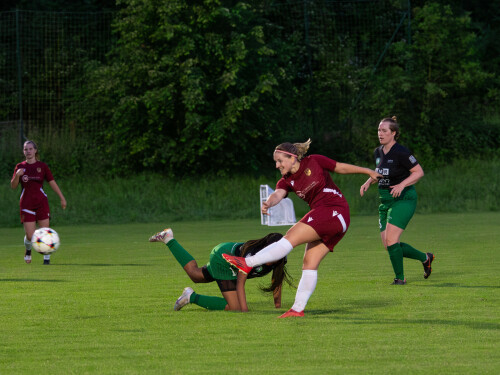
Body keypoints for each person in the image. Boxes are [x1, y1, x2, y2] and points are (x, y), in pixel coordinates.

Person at [223, 139, 382, 318]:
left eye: (280, 160)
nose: (277, 165)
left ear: (292, 157)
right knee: (309, 263)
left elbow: (340, 167)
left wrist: (368, 171)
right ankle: (297, 309)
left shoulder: (314, 161)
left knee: (290, 236)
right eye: (275, 162)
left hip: (334, 210)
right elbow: (278, 194)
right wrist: (268, 202)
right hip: (332, 218)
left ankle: (248, 263)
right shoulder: (286, 181)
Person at [359, 116, 434, 285]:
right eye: (379, 130)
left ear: (393, 133)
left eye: (384, 130)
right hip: (385, 201)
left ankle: (400, 278)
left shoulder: (401, 152)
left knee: (392, 241)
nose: (380, 133)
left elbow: (418, 172)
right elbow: (380, 172)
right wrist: (368, 182)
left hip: (404, 199)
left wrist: (402, 185)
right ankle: (425, 258)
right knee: (388, 245)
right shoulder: (378, 152)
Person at [148, 228, 293, 312]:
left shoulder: (279, 257)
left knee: (195, 275)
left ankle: (168, 239)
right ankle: (191, 297)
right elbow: (240, 282)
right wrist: (245, 311)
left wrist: (278, 306)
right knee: (234, 307)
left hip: (225, 255)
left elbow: (277, 279)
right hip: (223, 258)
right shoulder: (252, 256)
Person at [10, 140, 67, 265]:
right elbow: (13, 186)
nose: (28, 151)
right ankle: (28, 250)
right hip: (26, 204)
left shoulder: (43, 166)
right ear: (23, 151)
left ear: (35, 150)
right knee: (31, 236)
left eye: (30, 149)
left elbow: (52, 182)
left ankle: (46, 257)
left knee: (45, 231)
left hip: (41, 203)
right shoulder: (20, 167)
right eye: (26, 149)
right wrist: (17, 176)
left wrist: (62, 198)